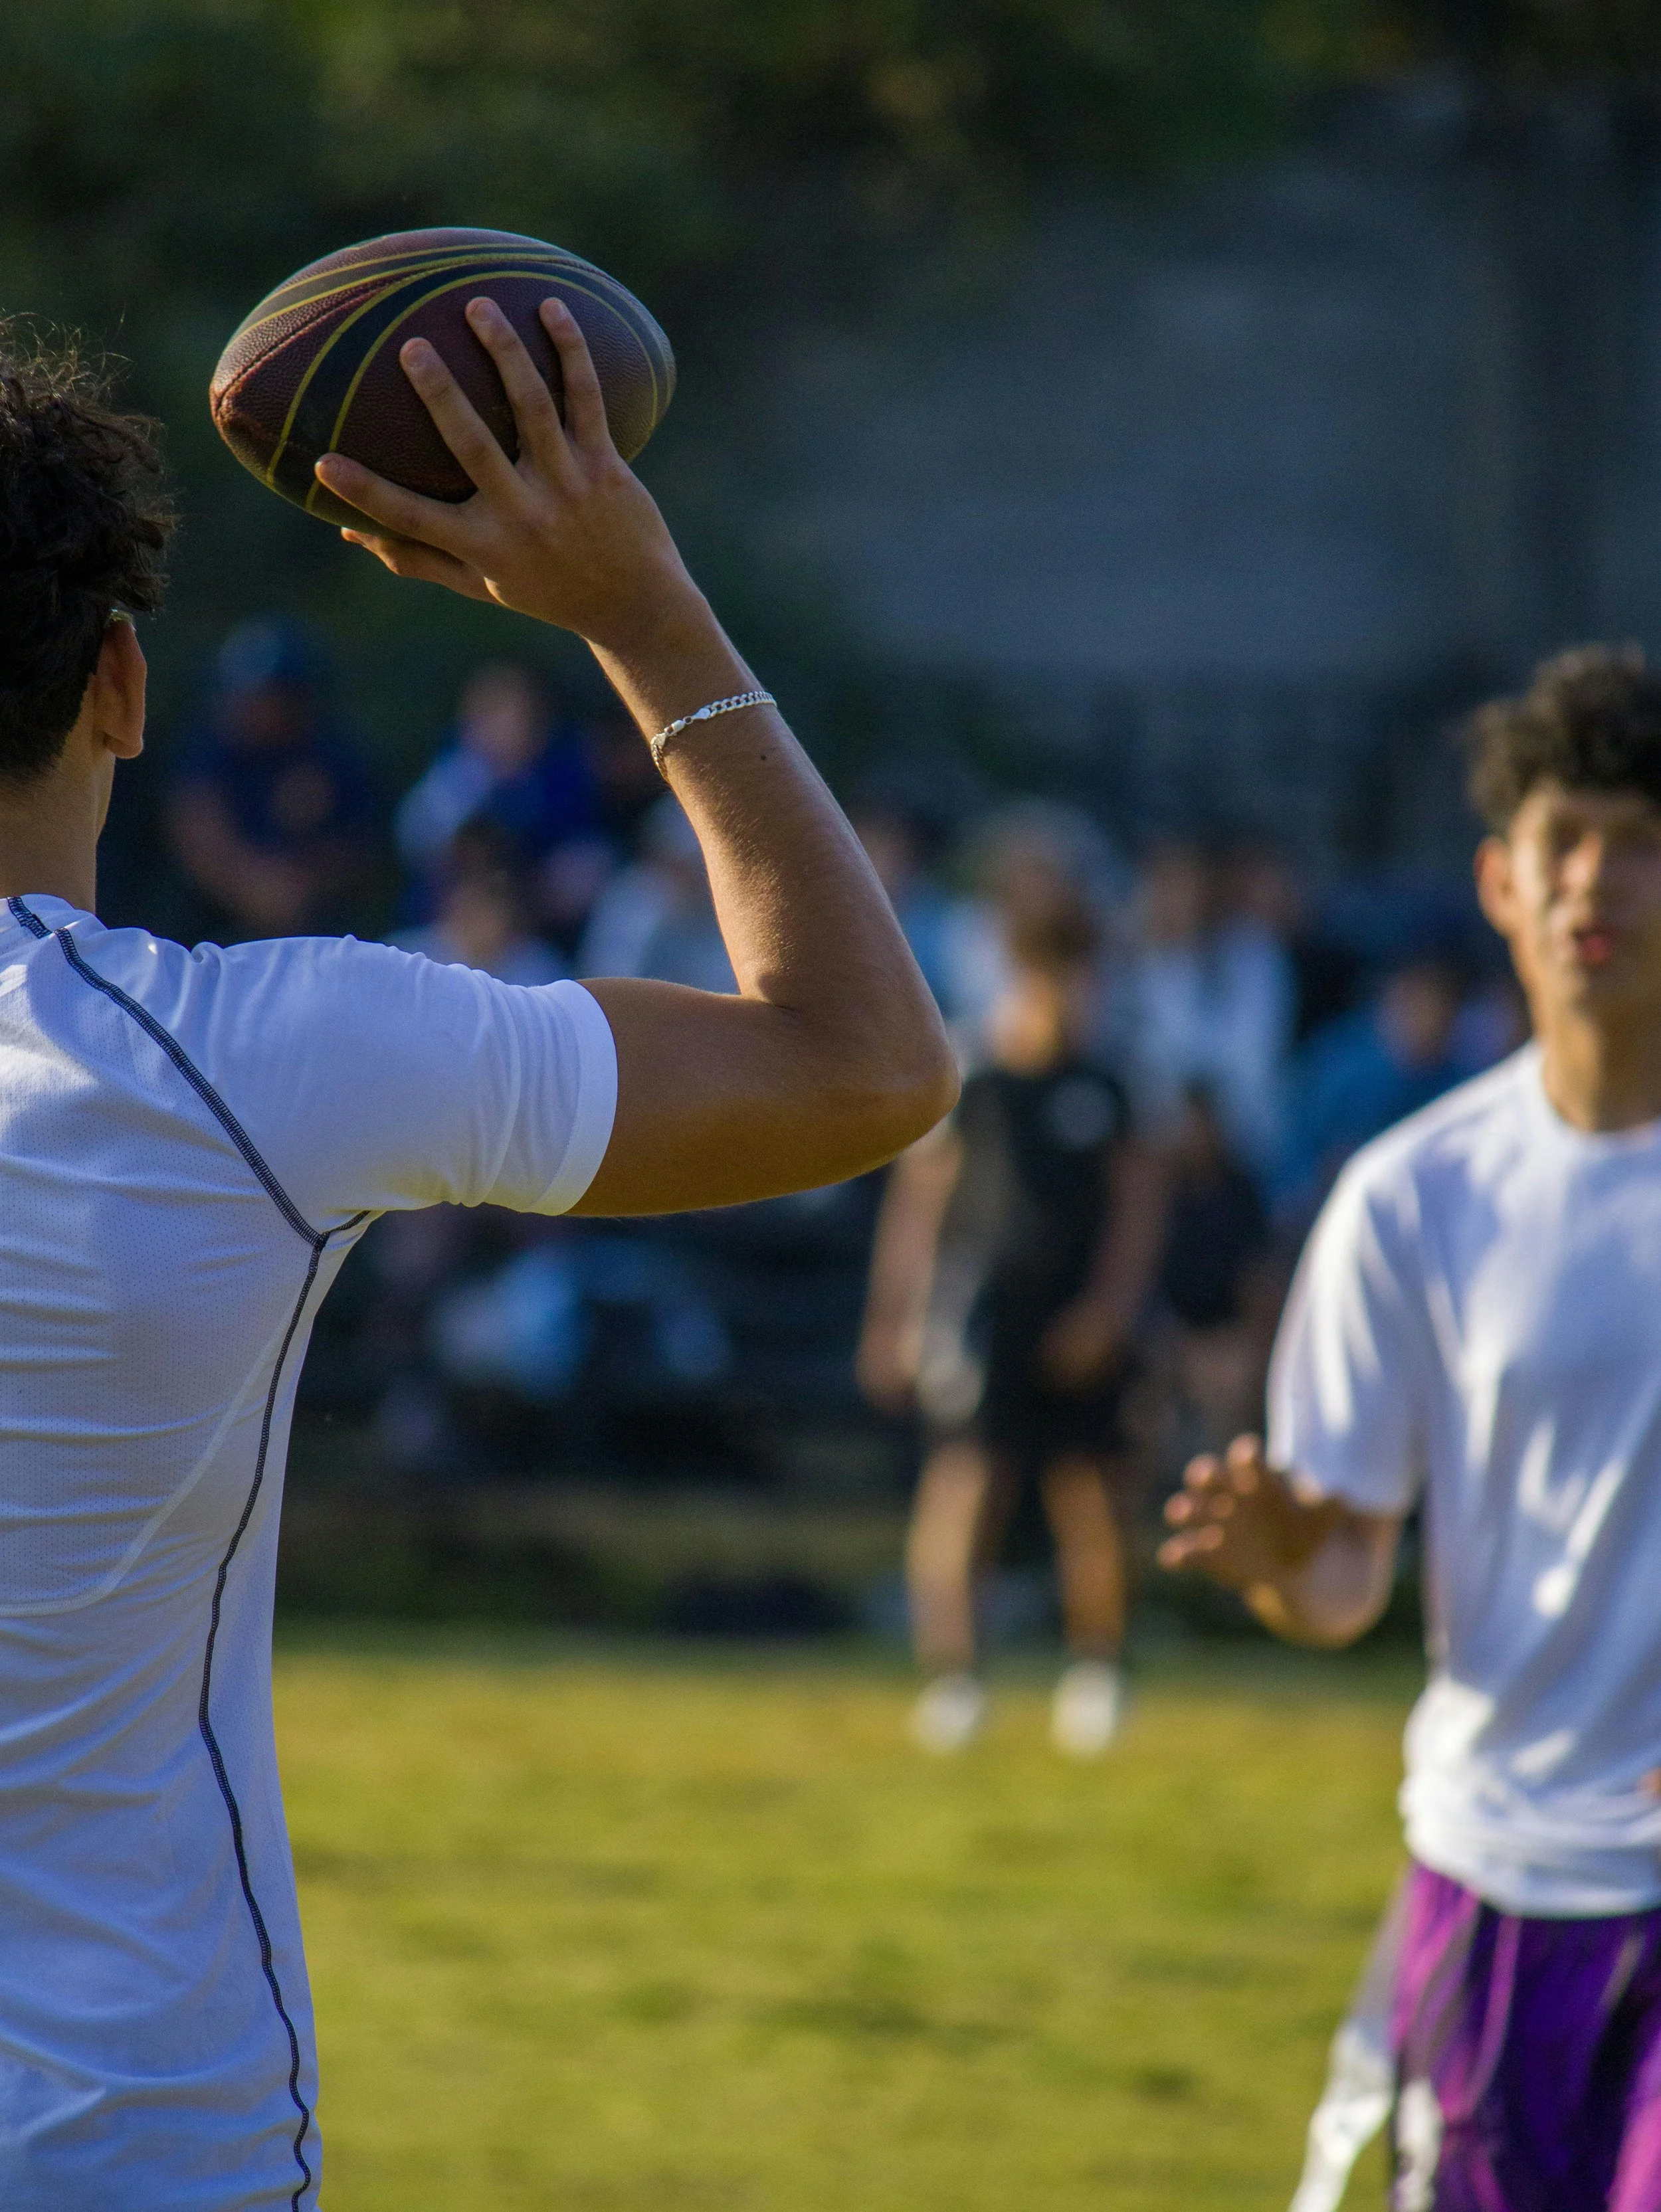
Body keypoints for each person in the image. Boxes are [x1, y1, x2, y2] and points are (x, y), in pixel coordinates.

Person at [0, 306, 955, 2209]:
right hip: (127, 2138)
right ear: (121, 685)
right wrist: (642, 606)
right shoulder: (243, 1072)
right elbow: (862, 1065)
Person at [1161, 644, 1661, 2212]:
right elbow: (1344, 1588)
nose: (1599, 879)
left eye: (1641, 840)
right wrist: (1282, 1554)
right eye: (1562, 837)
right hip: (1494, 1879)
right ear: (1498, 885)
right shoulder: (1412, 1200)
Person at [858, 891, 1166, 1756]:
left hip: (1080, 1315)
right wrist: (895, 1316)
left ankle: (1098, 1670)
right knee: (966, 1486)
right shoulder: (969, 1075)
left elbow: (1139, 1208)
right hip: (982, 1312)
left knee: (1090, 1496)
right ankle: (954, 1679)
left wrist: (1109, 1309)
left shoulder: (1112, 1084)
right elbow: (919, 1203)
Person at [168, 615, 379, 939]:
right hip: (210, 926)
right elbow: (195, 828)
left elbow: (361, 849)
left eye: (277, 697)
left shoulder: (331, 753)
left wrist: (303, 878)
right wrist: (249, 882)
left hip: (320, 927)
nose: (264, 708)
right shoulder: (211, 750)